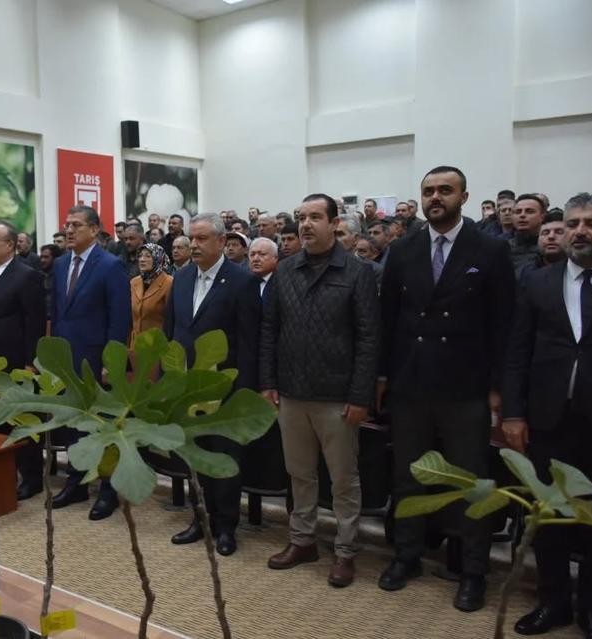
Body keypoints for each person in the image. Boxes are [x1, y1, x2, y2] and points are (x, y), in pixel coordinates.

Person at [377, 166, 515, 612]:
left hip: (466, 387)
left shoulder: (490, 249)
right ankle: (407, 556)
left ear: (464, 197)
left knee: (471, 482)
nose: (435, 197)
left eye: (445, 190)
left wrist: (498, 388)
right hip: (411, 384)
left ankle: (473, 572)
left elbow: (504, 325)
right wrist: (383, 377)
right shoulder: (403, 249)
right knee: (407, 477)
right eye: (428, 191)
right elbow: (388, 319)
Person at [260, 194, 379, 588]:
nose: (306, 224)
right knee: (299, 474)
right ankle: (302, 541)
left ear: (333, 223)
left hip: (338, 397)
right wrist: (268, 382)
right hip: (291, 393)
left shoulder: (357, 272)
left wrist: (360, 396)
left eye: (315, 217)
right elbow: (269, 330)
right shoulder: (285, 270)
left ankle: (345, 551)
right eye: (301, 217)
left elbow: (368, 338)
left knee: (343, 479)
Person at [502, 192, 592, 638]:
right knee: (550, 517)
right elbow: (517, 352)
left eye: (591, 223)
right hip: (547, 418)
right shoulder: (538, 282)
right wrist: (513, 414)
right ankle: (553, 602)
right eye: (574, 222)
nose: (580, 231)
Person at [164, 213, 260, 556]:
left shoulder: (242, 281)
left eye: (202, 238)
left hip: (224, 388)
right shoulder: (181, 277)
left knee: (224, 458)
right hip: (187, 388)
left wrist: (244, 391)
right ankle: (200, 519)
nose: (194, 245)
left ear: (221, 241)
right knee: (194, 456)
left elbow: (249, 342)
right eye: (192, 238)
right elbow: (171, 333)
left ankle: (227, 527)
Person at [51, 205, 131, 519]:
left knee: (104, 427)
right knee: (74, 425)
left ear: (95, 230)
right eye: (67, 225)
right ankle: (77, 482)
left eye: (76, 225)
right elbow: (58, 314)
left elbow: (120, 319)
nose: (69, 230)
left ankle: (109, 491)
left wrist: (111, 361)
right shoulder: (60, 264)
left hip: (98, 362)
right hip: (67, 361)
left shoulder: (110, 265)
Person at [0, 223, 46, 499]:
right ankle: (2, 473)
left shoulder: (27, 276)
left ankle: (31, 478)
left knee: (20, 422)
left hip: (15, 364)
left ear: (10, 245)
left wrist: (30, 363)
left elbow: (35, 323)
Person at [129, 243, 173, 344]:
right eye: (140, 256)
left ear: (158, 258)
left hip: (156, 346)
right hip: (135, 345)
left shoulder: (169, 283)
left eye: (148, 256)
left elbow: (172, 319)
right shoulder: (134, 282)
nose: (142, 259)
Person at [516, 208, 567, 285]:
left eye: (559, 232)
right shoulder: (524, 273)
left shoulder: (581, 269)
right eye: (545, 233)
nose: (551, 236)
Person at [509, 193, 547, 278]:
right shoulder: (503, 248)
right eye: (518, 212)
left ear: (542, 216)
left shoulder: (551, 247)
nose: (522, 215)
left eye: (529, 211)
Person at [39, 243, 63, 325]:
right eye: (41, 257)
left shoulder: (62, 276)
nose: (42, 260)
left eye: (46, 257)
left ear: (55, 258)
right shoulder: (37, 276)